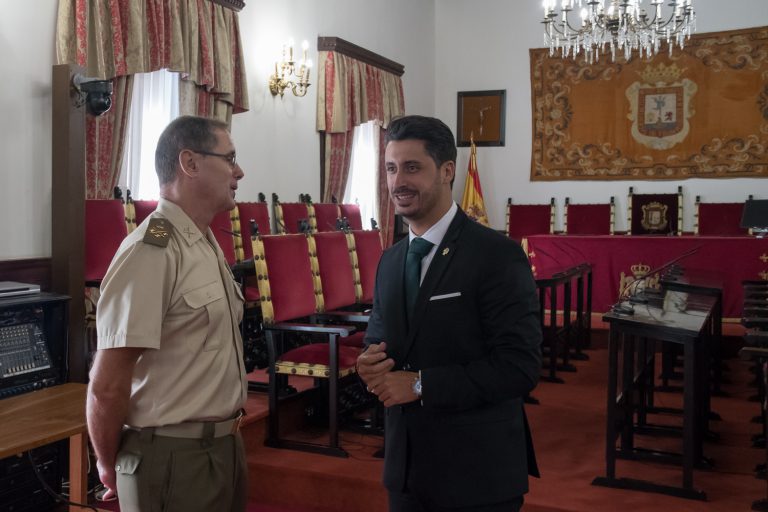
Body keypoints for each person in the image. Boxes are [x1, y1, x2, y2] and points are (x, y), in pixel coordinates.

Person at [357, 115, 541, 512]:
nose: (397, 181)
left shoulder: (496, 255)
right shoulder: (389, 260)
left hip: (477, 473)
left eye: (411, 167)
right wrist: (369, 363)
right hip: (406, 472)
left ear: (447, 171)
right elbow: (380, 341)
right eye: (391, 168)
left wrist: (422, 385)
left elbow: (519, 366)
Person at [87, 115, 249, 512]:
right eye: (229, 159)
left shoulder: (204, 241)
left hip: (224, 447)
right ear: (190, 163)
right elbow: (107, 383)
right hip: (173, 457)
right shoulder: (152, 248)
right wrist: (108, 463)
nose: (239, 171)